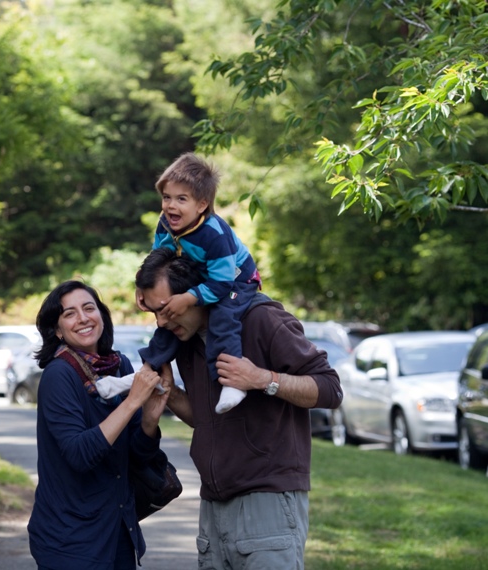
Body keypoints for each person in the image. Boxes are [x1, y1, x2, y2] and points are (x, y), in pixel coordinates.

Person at [135, 247, 342, 570]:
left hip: (268, 504)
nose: (161, 321)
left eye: (167, 310)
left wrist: (262, 378)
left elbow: (330, 388)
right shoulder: (185, 340)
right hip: (212, 509)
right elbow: (206, 420)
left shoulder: (261, 318)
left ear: (195, 295)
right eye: (154, 312)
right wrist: (171, 393)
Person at [28, 280, 169, 569]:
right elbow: (80, 455)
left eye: (89, 308)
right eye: (69, 313)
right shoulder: (59, 375)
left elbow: (136, 455)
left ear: (101, 315)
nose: (82, 318)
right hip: (70, 541)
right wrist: (131, 403)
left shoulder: (120, 366)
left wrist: (149, 421)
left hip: (118, 531)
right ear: (57, 330)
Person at [137, 152, 261, 414]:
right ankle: (149, 368)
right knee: (169, 316)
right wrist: (143, 286)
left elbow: (222, 282)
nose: (171, 206)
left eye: (182, 199)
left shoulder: (214, 234)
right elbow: (158, 258)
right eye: (167, 197)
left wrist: (190, 297)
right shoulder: (165, 223)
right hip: (204, 278)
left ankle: (230, 382)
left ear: (202, 205)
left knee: (223, 316)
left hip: (236, 281)